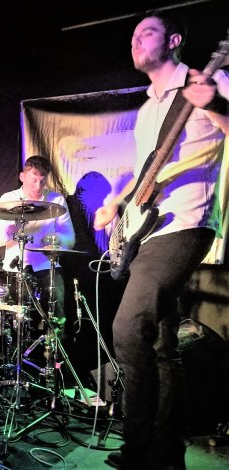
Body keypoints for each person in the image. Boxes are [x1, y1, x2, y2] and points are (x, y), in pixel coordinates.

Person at [94, 12, 229, 470]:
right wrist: (116, 203)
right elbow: (144, 169)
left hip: (186, 224)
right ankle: (167, 454)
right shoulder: (148, 109)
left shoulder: (207, 81)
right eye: (133, 35)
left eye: (146, 33)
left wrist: (216, 105)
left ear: (173, 40)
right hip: (149, 229)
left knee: (127, 329)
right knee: (159, 346)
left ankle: (138, 449)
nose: (135, 41)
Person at [0, 155, 76, 327]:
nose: (38, 186)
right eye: (33, 180)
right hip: (15, 271)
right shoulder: (8, 199)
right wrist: (11, 230)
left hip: (47, 268)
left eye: (42, 182)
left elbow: (70, 237)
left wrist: (56, 240)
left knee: (55, 323)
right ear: (22, 176)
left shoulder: (56, 200)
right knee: (16, 324)